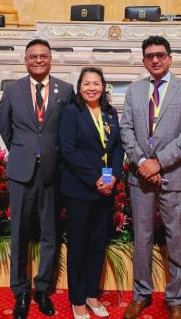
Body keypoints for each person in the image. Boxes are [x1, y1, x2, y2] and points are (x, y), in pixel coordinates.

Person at [120, 36, 181, 319]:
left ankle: (176, 299)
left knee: (176, 238)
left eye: (161, 54)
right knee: (141, 238)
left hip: (173, 176)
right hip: (140, 176)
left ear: (170, 57)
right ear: (143, 60)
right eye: (150, 55)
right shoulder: (134, 91)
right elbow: (126, 130)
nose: (155, 59)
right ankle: (141, 294)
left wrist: (158, 163)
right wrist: (142, 162)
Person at [0, 38, 74, 319]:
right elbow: (5, 127)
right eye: (33, 56)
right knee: (19, 232)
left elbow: (68, 128)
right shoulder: (12, 89)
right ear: (25, 60)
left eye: (43, 56)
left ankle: (42, 288)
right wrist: (24, 151)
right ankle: (20, 291)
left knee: (50, 233)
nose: (38, 60)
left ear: (51, 59)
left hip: (53, 171)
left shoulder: (65, 90)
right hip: (21, 171)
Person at [59, 67, 125, 319]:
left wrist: (113, 177)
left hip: (105, 190)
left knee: (98, 244)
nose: (91, 88)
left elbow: (116, 148)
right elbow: (69, 150)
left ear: (103, 86)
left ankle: (91, 294)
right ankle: (77, 298)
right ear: (79, 87)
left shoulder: (109, 113)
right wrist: (95, 178)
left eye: (96, 83)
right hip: (79, 189)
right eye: (86, 83)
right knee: (78, 246)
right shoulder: (71, 112)